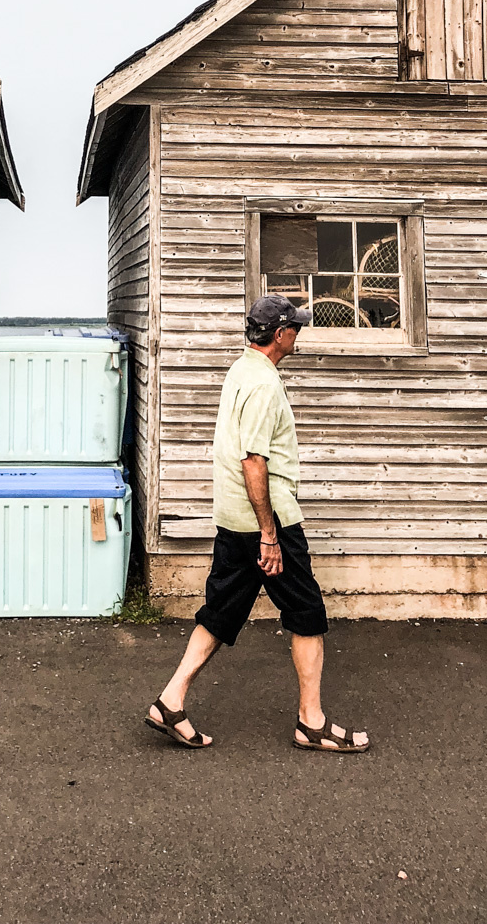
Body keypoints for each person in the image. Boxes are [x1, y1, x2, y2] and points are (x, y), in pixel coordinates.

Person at [145, 294, 370, 753]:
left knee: (221, 612)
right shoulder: (264, 384)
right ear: (281, 334)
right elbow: (253, 460)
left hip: (234, 517)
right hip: (268, 521)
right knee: (307, 614)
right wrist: (269, 534)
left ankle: (170, 700)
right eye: (296, 328)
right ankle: (312, 722)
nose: (299, 334)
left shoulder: (241, 369)